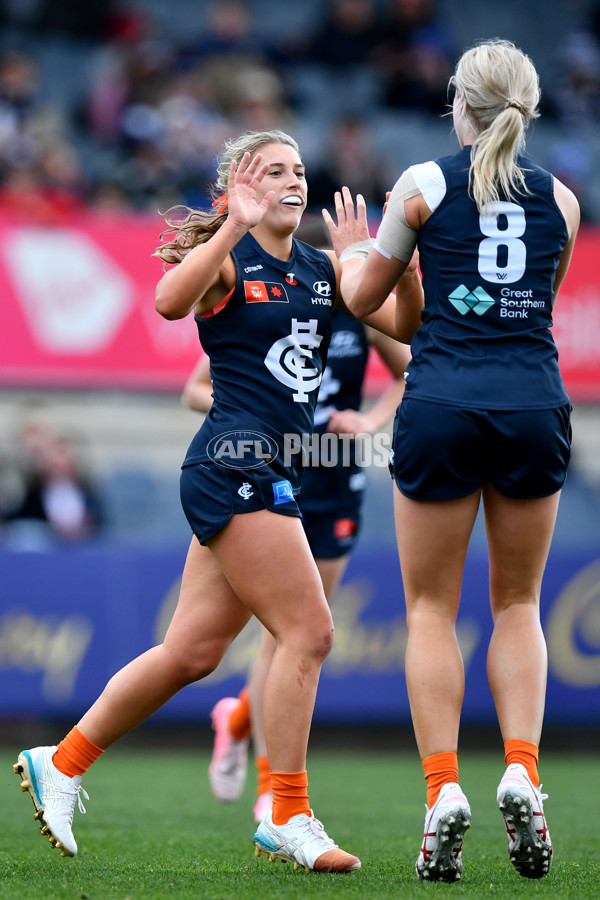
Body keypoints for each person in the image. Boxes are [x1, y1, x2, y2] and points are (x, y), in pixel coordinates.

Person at [13, 128, 422, 874]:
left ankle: (61, 761)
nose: (294, 180)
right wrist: (233, 221)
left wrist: (403, 262)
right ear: (241, 182)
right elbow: (170, 301)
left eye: (299, 169)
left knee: (191, 653)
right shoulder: (232, 258)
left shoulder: (322, 267)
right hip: (234, 461)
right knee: (310, 631)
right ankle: (290, 813)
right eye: (274, 171)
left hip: (273, 468)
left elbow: (406, 331)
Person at [324, 39, 580, 882]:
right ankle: (522, 769)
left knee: (431, 608)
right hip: (533, 405)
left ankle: (442, 791)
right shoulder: (566, 201)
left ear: (457, 106)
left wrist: (358, 254)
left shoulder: (423, 185)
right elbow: (522, 315)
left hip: (438, 406)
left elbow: (374, 310)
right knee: (519, 604)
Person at [182, 218, 411, 823]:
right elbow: (194, 389)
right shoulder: (265, 304)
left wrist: (370, 421)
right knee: (290, 632)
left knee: (306, 630)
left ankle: (235, 719)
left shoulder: (348, 295)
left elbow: (410, 368)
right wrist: (263, 407)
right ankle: (270, 789)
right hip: (268, 462)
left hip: (333, 475)